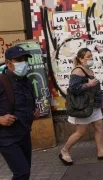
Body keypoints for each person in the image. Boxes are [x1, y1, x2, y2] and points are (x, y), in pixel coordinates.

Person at [59, 48, 103, 165]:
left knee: (99, 127)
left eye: (91, 56)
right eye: (88, 57)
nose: (91, 59)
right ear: (80, 59)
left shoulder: (88, 70)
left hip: (93, 105)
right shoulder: (77, 71)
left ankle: (101, 151)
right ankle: (64, 151)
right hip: (83, 107)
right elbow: (73, 89)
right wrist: (89, 84)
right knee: (81, 132)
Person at [0, 45, 40, 180]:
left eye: (25, 59)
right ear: (8, 63)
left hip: (24, 134)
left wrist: (34, 111)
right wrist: (0, 119)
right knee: (21, 172)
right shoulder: (2, 81)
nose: (23, 63)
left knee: (25, 171)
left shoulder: (26, 81)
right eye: (18, 60)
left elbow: (27, 103)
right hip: (7, 137)